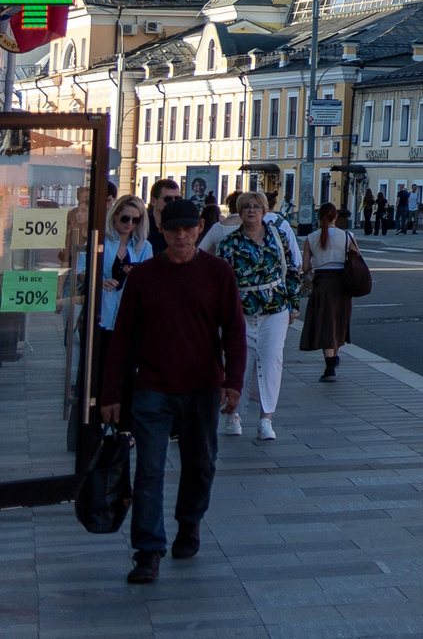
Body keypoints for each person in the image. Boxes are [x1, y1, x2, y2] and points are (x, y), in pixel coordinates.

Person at [99, 195, 244, 585]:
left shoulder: (217, 273)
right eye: (174, 230)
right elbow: (123, 338)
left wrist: (233, 382)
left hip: (202, 387)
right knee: (149, 471)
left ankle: (189, 523)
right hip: (153, 387)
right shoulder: (145, 276)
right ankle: (148, 551)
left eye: (189, 229)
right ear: (162, 232)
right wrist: (111, 392)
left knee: (201, 465)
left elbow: (234, 330)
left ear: (199, 230)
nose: (182, 236)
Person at [210, 193, 301, 441]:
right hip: (241, 310)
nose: (252, 210)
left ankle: (266, 418)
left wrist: (294, 304)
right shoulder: (230, 243)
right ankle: (234, 415)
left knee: (272, 358)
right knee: (240, 359)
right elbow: (220, 281)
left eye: (257, 207)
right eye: (247, 207)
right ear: (239, 212)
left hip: (275, 308)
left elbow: (292, 270)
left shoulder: (277, 237)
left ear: (264, 211)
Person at [79, 195, 153, 395]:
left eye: (135, 220)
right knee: (97, 369)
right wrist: (99, 282)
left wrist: (135, 276)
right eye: (125, 218)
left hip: (127, 317)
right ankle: (96, 417)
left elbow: (148, 282)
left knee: (126, 373)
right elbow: (81, 271)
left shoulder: (144, 246)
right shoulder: (100, 240)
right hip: (100, 312)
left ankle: (122, 422)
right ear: (115, 216)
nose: (130, 224)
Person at [299, 202, 354, 381]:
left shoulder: (311, 238)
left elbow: (306, 267)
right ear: (336, 217)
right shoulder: (347, 236)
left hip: (322, 284)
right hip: (342, 285)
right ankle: (332, 360)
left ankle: (330, 362)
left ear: (319, 217)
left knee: (325, 322)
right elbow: (358, 260)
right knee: (338, 321)